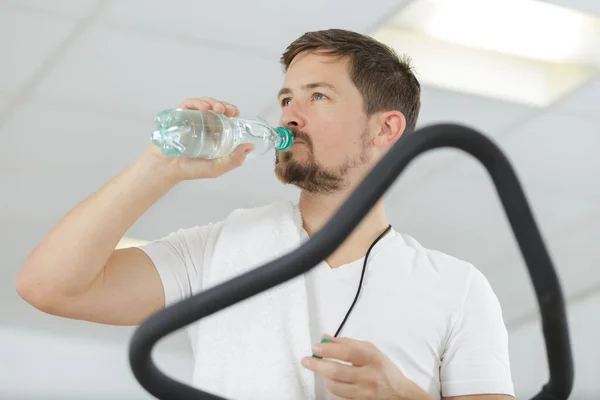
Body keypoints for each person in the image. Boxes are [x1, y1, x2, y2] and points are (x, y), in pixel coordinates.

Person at [16, 29, 514, 400]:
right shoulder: (220, 249)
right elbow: (49, 287)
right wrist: (158, 168)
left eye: (318, 96)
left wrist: (405, 396)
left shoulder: (457, 287)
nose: (289, 115)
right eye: (286, 98)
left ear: (386, 129)